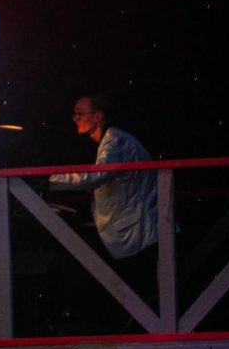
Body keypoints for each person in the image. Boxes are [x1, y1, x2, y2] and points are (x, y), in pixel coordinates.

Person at [48, 95, 158, 260]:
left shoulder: (114, 141)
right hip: (139, 231)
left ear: (97, 116)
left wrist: (50, 181)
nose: (75, 118)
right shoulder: (115, 139)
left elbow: (98, 174)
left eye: (80, 113)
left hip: (139, 233)